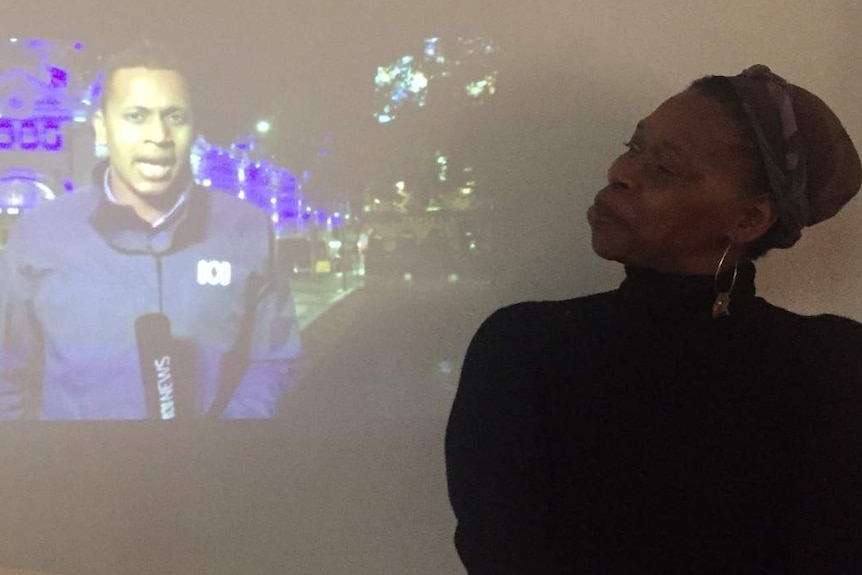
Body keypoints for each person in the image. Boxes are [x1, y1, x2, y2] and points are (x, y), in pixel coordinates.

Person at [445, 65, 862, 573]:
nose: (619, 172)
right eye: (634, 147)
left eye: (663, 168)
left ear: (750, 218)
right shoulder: (522, 351)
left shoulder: (837, 370)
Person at [0, 43, 300, 419]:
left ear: (193, 126)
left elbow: (273, 361)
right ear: (101, 129)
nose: (158, 135)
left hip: (209, 472)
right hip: (80, 475)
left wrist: (226, 445)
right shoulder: (39, 236)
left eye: (174, 116)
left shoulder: (246, 230)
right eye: (136, 116)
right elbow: (7, 377)